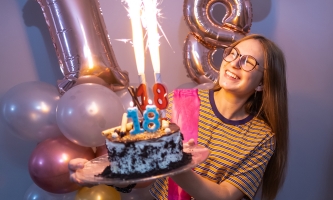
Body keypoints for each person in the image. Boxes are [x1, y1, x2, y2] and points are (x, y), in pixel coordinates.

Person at [69, 34, 288, 200]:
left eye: (248, 62)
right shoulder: (179, 102)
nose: (233, 62)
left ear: (262, 83)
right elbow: (146, 175)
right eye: (233, 53)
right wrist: (102, 174)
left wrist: (176, 164)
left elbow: (225, 195)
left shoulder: (262, 137)